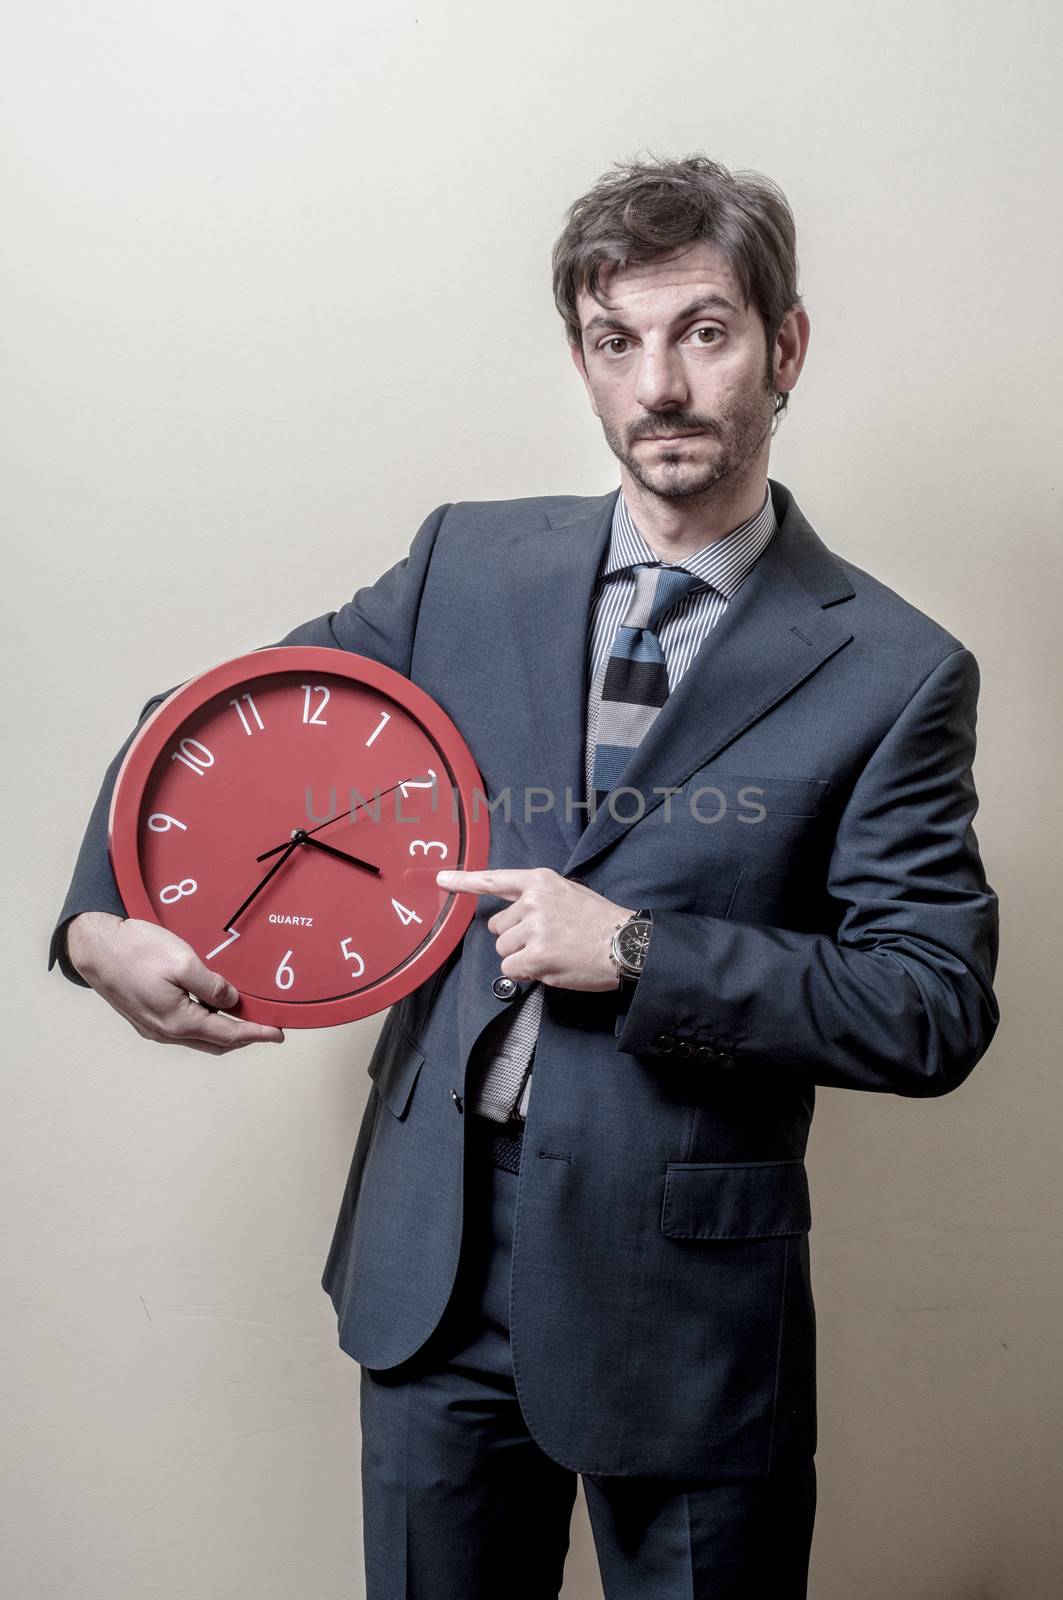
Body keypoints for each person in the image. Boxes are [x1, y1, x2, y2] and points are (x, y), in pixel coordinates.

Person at [49, 154, 1000, 1598]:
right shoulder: (464, 567)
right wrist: (98, 922)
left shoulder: (894, 669)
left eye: (705, 331)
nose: (661, 385)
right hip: (434, 1270)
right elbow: (217, 728)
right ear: (582, 356)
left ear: (785, 345)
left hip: (684, 1308)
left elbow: (931, 1004)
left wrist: (640, 952)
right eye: (618, 340)